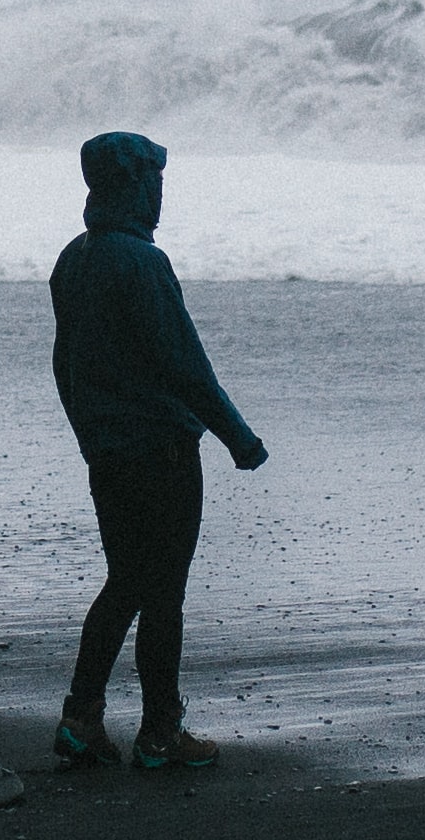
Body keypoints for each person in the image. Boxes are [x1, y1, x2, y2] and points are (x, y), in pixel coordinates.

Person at [46, 128, 267, 770]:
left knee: (125, 581)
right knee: (163, 590)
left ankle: (81, 718)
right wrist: (238, 437)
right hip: (161, 453)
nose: (160, 192)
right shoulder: (143, 263)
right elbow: (185, 367)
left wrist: (91, 436)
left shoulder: (74, 259)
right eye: (156, 180)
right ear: (137, 184)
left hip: (108, 453)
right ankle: (161, 733)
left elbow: (66, 366)